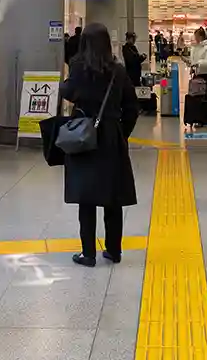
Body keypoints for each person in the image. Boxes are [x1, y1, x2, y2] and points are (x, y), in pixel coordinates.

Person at [60, 23, 138, 267]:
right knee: (113, 196)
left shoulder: (78, 68)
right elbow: (132, 108)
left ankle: (88, 253)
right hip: (112, 137)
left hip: (85, 136)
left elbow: (69, 93)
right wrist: (120, 132)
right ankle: (114, 251)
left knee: (87, 196)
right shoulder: (117, 71)